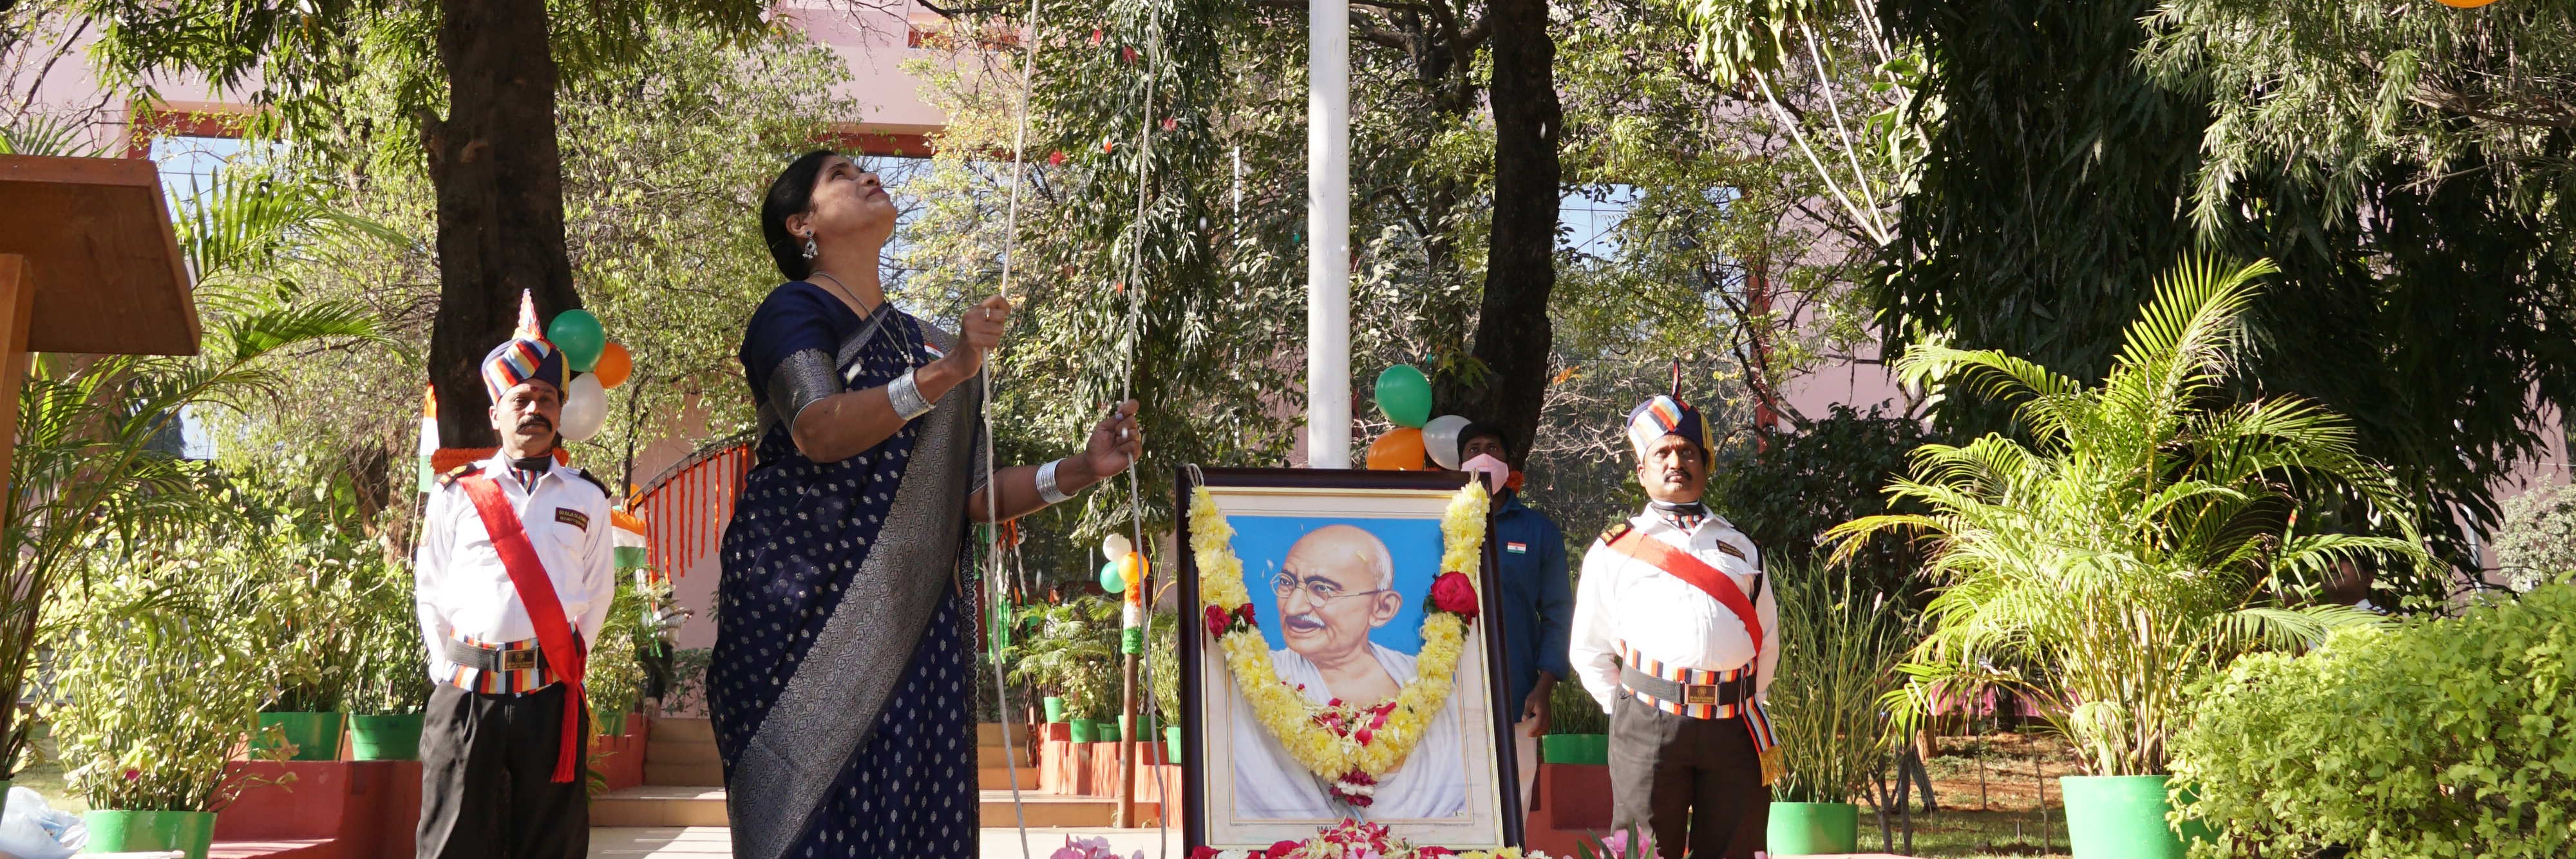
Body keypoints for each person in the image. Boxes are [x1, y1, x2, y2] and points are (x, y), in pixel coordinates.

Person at [714, 150, 1143, 859]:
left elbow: (973, 495)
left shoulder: (935, 342)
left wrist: (1081, 468)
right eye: (840, 175)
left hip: (917, 625)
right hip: (797, 613)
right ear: (801, 225)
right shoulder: (794, 310)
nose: (864, 175)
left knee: (919, 824)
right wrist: (946, 374)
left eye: (864, 167)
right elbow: (819, 428)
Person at [412, 293, 617, 859]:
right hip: (466, 691)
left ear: (560, 410)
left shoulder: (588, 498)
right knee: (449, 840)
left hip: (549, 694)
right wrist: (444, 666)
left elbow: (599, 591)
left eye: (546, 398)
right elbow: (430, 588)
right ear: (496, 413)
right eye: (521, 398)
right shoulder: (458, 493)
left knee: (552, 843)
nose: (534, 409)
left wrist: (566, 659)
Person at [1567, 393, 1779, 859]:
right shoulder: (1615, 550)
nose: (1676, 462)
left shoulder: (1741, 547)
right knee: (1642, 852)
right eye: (1661, 452)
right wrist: (1626, 708)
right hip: (1648, 722)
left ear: (1706, 466)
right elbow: (1589, 649)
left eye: (1687, 453)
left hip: (1733, 724)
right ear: (1642, 471)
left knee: (1734, 849)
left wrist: (1747, 700)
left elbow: (1766, 641)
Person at [1231, 525, 1468, 820]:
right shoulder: (1258, 678)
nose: (1292, 606)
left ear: (1382, 608)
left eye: (1322, 589)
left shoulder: (1426, 681)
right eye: (1287, 583)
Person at [1454, 422, 1573, 818]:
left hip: (1518, 697)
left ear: (1509, 464)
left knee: (1510, 816)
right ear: (1459, 464)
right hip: (1443, 696)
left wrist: (1545, 686)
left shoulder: (1539, 532)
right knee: (1448, 812)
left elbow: (1558, 615)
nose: (1483, 456)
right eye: (1473, 449)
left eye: (1493, 448)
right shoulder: (1437, 523)